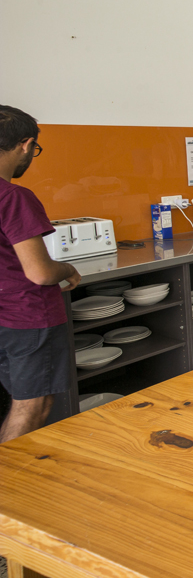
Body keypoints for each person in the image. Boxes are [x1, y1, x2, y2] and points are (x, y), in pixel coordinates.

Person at [0, 105, 81, 443]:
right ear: (25, 144)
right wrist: (68, 269)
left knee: (13, 399)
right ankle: (11, 491)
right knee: (32, 405)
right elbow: (40, 273)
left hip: (4, 318)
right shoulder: (14, 197)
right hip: (28, 316)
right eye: (34, 150)